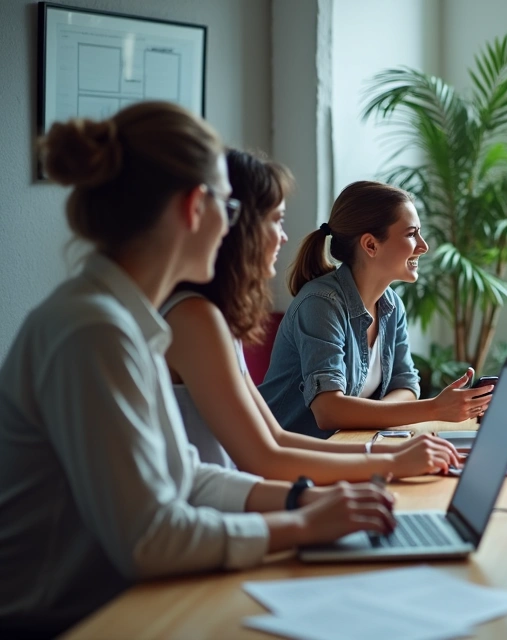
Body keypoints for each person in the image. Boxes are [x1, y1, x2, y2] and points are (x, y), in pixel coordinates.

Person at [0, 103, 395, 636]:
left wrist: (304, 500)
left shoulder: (127, 321)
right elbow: (151, 541)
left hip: (123, 600)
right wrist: (300, 523)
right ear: (193, 207)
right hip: (68, 621)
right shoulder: (92, 331)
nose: (237, 228)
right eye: (229, 208)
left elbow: (185, 477)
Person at [161, 149, 460, 481]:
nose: (284, 236)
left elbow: (275, 442)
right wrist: (391, 457)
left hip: (247, 485)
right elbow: (266, 457)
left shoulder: (215, 319)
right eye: (276, 220)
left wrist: (391, 452)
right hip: (233, 496)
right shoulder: (197, 319)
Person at [260, 181, 492, 439]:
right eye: (411, 233)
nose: (423, 245)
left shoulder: (392, 305)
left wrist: (368, 414)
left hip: (351, 447)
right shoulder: (320, 304)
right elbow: (328, 410)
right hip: (288, 459)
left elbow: (407, 385)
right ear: (370, 245)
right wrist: (435, 407)